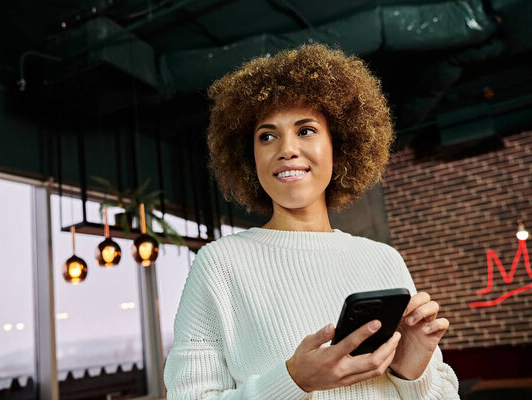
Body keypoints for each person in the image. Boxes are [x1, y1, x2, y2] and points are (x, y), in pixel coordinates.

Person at [163, 43, 459, 399]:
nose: (286, 149)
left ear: (339, 144)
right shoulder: (220, 265)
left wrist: (411, 372)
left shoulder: (384, 259)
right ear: (249, 157)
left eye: (305, 130)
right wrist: (293, 381)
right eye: (267, 136)